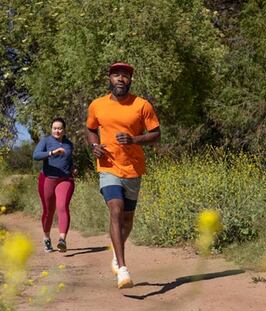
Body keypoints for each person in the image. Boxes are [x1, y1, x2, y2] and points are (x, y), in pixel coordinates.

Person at [86, 62, 161, 289]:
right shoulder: (97, 105)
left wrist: (134, 139)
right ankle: (123, 268)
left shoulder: (142, 105)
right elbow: (90, 129)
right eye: (116, 75)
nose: (121, 79)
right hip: (108, 166)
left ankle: (115, 255)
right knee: (115, 209)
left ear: (130, 80)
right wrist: (94, 145)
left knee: (127, 221)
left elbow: (156, 134)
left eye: (125, 76)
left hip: (133, 168)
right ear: (110, 78)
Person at [33, 117, 75, 253]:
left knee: (62, 206)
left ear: (64, 130)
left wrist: (73, 168)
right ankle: (46, 238)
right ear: (51, 129)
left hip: (65, 179)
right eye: (55, 128)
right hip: (48, 179)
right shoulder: (46, 141)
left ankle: (62, 239)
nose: (57, 130)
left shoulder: (69, 144)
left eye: (60, 128)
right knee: (49, 211)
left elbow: (69, 160)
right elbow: (36, 155)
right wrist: (52, 153)